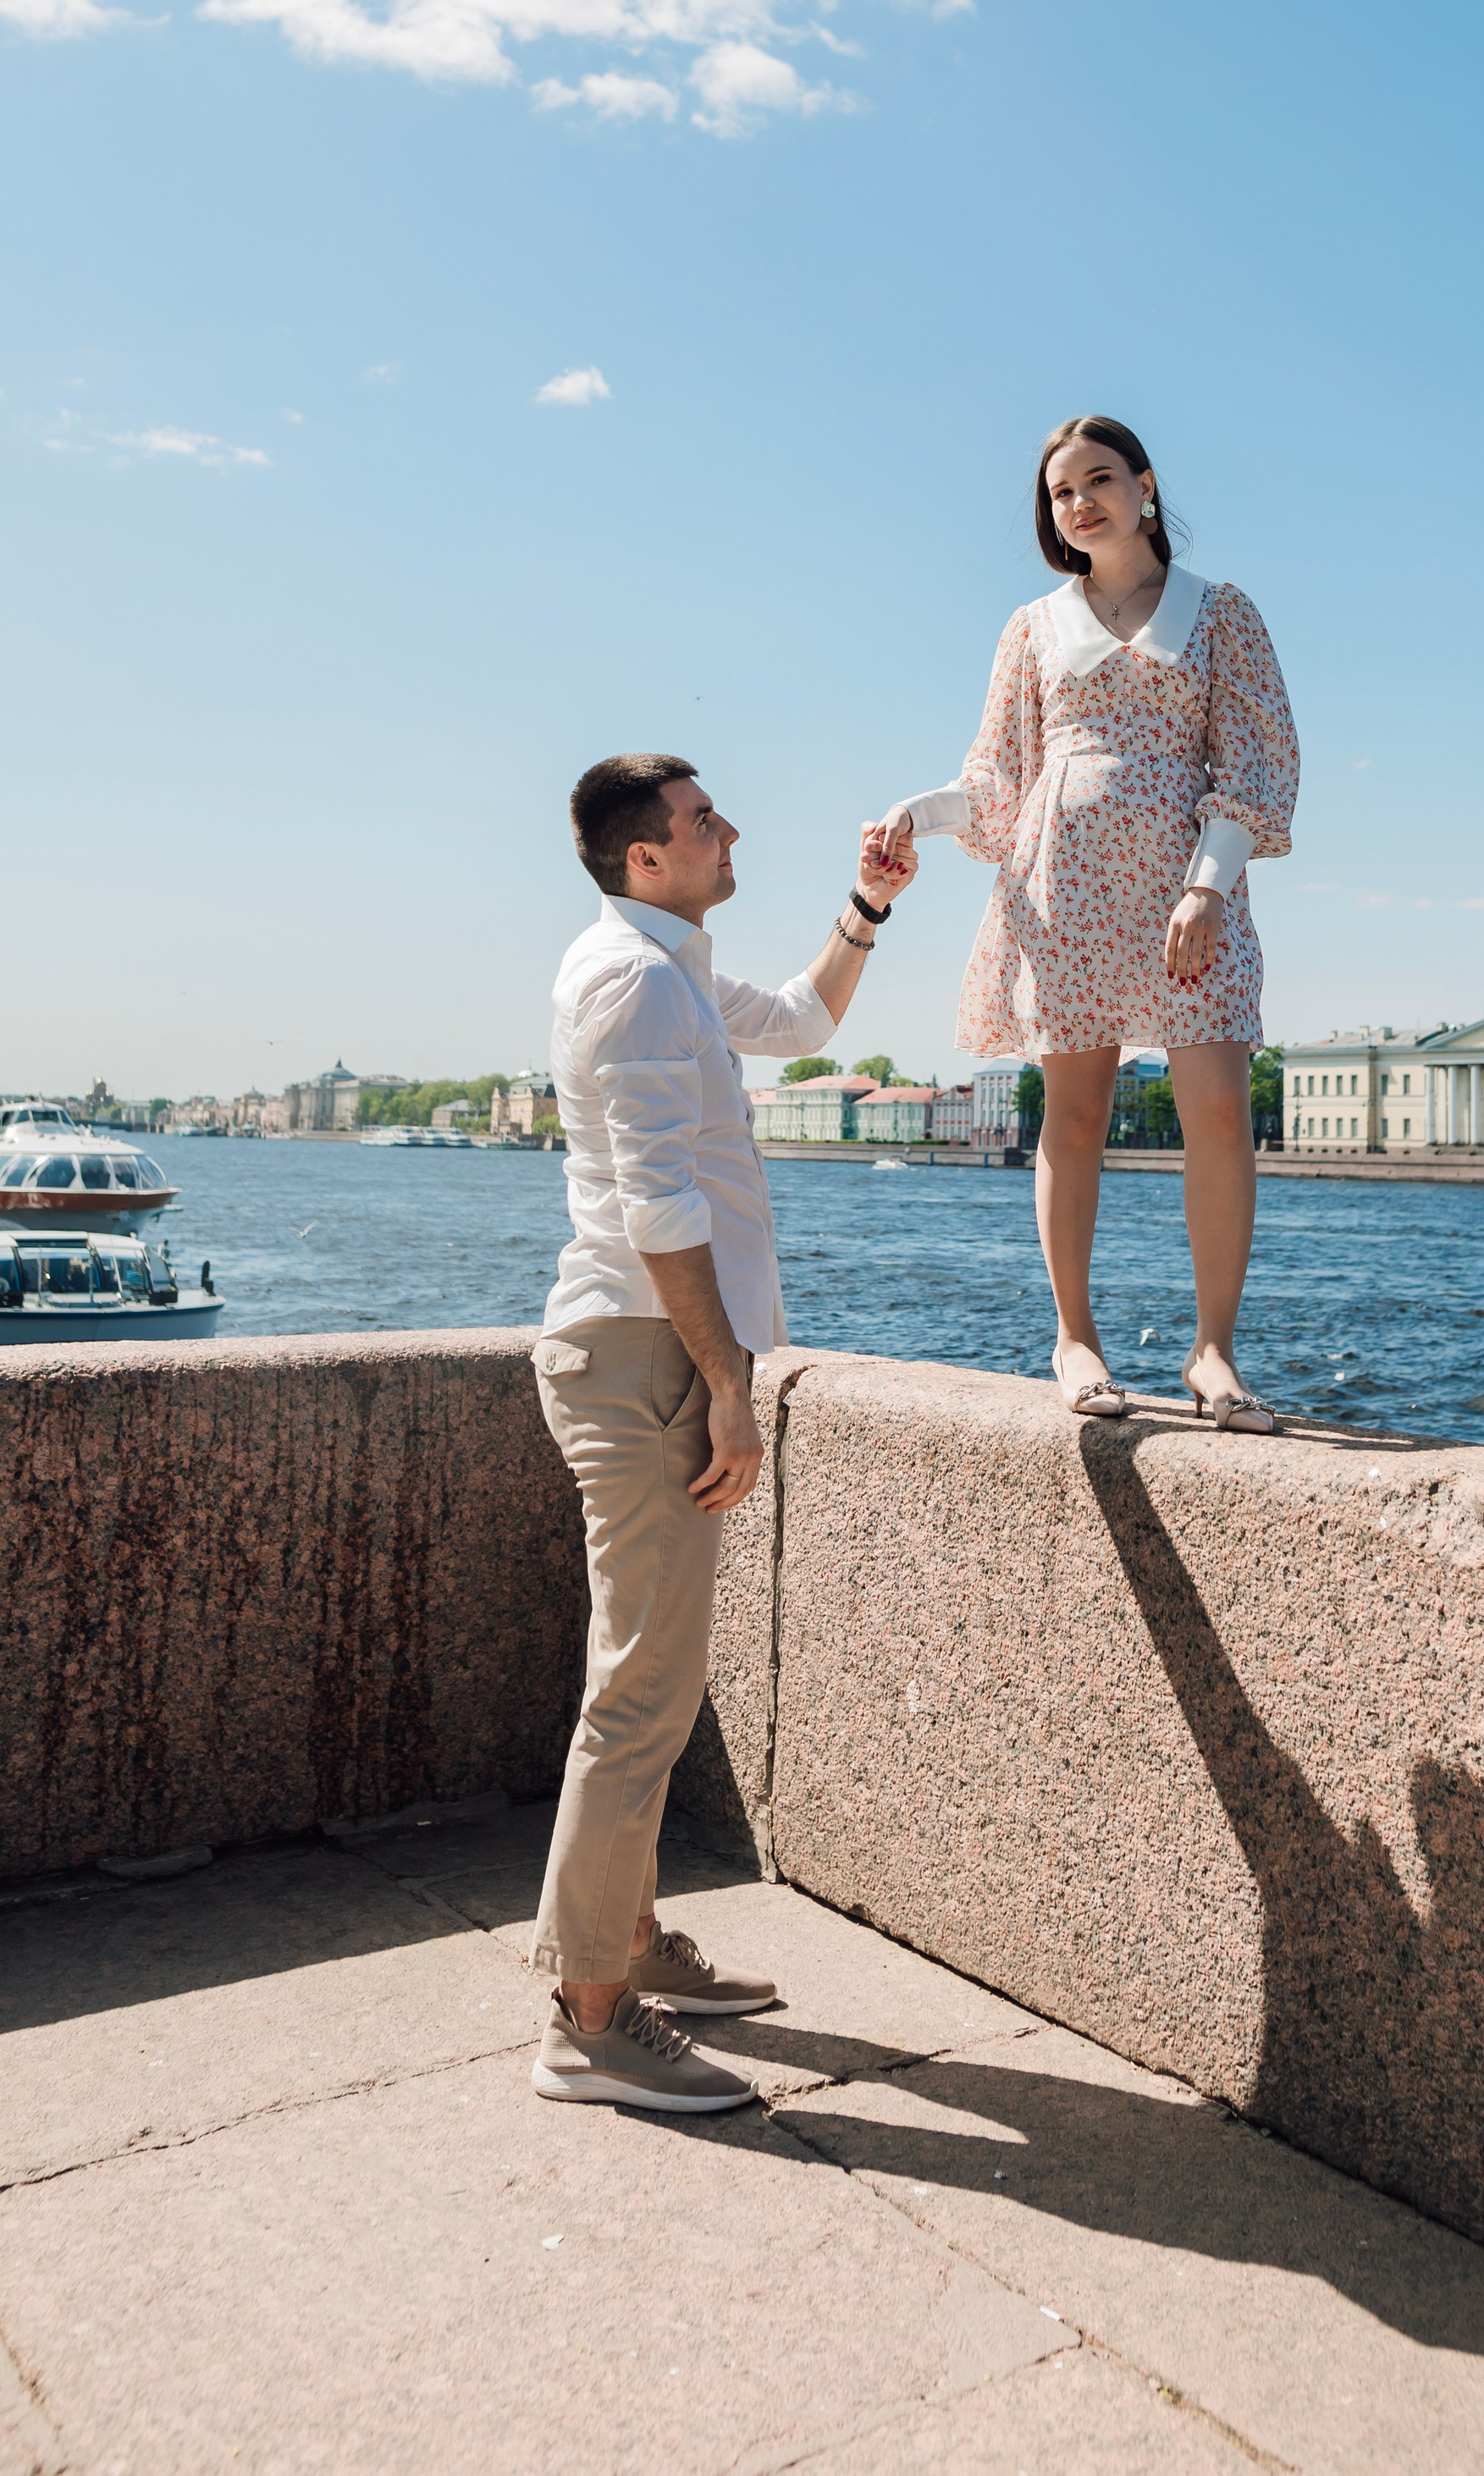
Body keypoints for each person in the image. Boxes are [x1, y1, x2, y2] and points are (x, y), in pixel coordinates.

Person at [529, 753, 917, 2114]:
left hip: (652, 1352)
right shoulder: (633, 982)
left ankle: (630, 1944)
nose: (728, 829)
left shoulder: (673, 967)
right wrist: (729, 1386)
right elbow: (658, 1208)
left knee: (644, 1677)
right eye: (703, 822)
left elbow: (808, 1021)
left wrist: (865, 908)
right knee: (641, 1694)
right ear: (647, 857)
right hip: (645, 1357)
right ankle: (587, 2019)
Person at [866, 414, 1297, 1430]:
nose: (1079, 504)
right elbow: (996, 775)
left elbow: (1258, 764)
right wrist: (916, 814)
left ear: (1146, 486)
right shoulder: (1031, 627)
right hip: (1060, 893)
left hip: (1189, 893)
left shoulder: (1220, 613)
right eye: (1061, 493)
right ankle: (1075, 1340)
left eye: (1098, 480)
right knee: (1074, 1119)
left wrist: (1205, 885)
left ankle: (1213, 1353)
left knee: (1221, 1118)